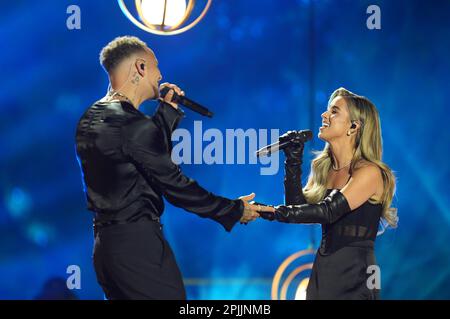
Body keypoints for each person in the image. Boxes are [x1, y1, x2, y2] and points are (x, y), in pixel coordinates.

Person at [75, 36, 272, 300]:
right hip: (139, 247)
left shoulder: (91, 118)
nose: (161, 74)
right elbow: (173, 184)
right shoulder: (133, 125)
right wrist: (233, 210)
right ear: (140, 68)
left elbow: (144, 163)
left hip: (106, 248)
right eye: (155, 66)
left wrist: (167, 112)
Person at [259, 88, 398, 300]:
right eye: (327, 111)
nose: (324, 115)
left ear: (353, 126)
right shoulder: (327, 169)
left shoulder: (370, 172)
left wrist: (270, 211)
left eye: (334, 111)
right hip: (323, 269)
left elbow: (327, 211)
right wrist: (293, 161)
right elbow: (299, 208)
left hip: (357, 274)